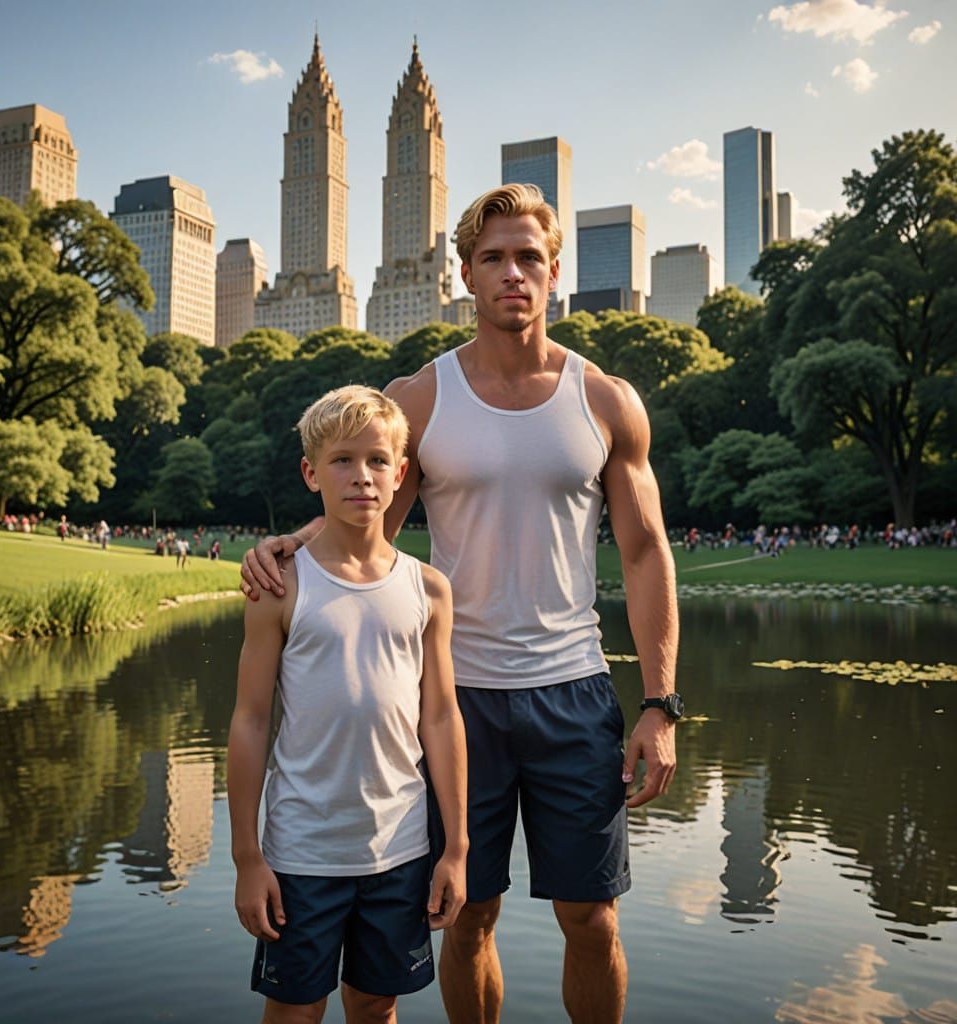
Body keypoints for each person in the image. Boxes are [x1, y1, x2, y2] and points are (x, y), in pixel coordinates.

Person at [242, 184, 680, 1024]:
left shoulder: (606, 400)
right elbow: (361, 520)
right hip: (453, 702)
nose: (512, 274)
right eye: (493, 258)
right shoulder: (421, 398)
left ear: (554, 273)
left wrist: (660, 704)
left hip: (573, 693)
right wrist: (285, 547)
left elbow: (646, 552)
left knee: (589, 917)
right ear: (468, 276)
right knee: (465, 913)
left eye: (529, 258)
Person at [229, 385, 468, 1023]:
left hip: (399, 849)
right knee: (296, 1011)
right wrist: (246, 857)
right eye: (341, 460)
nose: (360, 476)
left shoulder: (429, 590)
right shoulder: (280, 587)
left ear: (399, 475)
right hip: (302, 851)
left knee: (374, 1006)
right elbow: (251, 723)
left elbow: (442, 718)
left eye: (377, 461)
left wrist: (456, 848)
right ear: (311, 473)